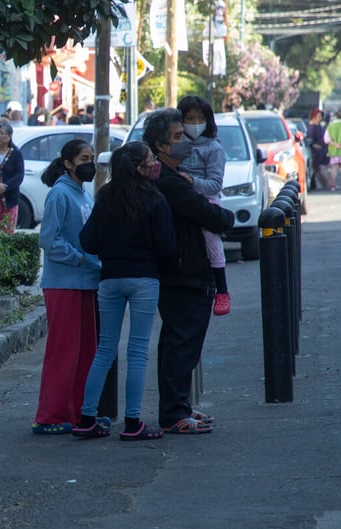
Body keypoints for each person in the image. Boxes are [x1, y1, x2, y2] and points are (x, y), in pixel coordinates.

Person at [141, 108, 234, 435]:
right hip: (183, 272)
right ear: (161, 146)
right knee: (182, 343)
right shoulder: (169, 182)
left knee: (177, 342)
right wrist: (224, 217)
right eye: (178, 137)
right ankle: (173, 412)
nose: (185, 142)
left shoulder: (172, 178)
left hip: (180, 270)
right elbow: (212, 216)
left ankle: (178, 406)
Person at [75, 141, 176, 440]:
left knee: (105, 349)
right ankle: (133, 423)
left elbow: (87, 241)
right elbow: (168, 246)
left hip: (109, 279)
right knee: (137, 351)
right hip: (144, 278)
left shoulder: (105, 196)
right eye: (149, 160)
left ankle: (87, 418)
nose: (153, 164)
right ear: (138, 166)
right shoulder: (154, 197)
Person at [32, 139, 101, 434]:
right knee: (63, 352)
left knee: (86, 352)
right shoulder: (60, 194)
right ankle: (49, 416)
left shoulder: (83, 194)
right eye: (85, 158)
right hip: (64, 284)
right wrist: (81, 260)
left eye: (92, 157)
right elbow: (48, 240)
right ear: (69, 163)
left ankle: (78, 414)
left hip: (86, 282)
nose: (91, 163)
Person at [177, 95, 230, 316]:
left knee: (210, 235)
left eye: (199, 118)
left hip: (205, 200)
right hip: (178, 198)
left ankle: (222, 288)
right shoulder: (176, 144)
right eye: (190, 118)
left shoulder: (213, 148)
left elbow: (215, 184)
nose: (195, 122)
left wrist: (192, 182)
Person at [306, 108, 332, 191]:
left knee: (320, 169)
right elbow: (309, 139)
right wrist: (314, 145)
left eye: (321, 116)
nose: (320, 118)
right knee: (320, 169)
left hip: (323, 150)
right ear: (314, 116)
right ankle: (328, 185)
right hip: (316, 152)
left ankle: (327, 185)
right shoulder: (312, 127)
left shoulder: (319, 126)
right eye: (318, 116)